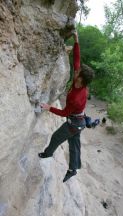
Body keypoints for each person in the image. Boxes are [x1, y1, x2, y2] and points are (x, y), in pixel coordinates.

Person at [38, 31, 95, 182]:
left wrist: (48, 107)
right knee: (74, 145)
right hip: (80, 122)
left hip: (74, 123)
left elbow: (64, 113)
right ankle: (73, 169)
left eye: (78, 74)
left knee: (56, 137)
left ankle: (47, 153)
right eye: (77, 71)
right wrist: (76, 40)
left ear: (81, 81)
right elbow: (77, 58)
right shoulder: (79, 77)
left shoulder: (77, 97)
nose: (75, 72)